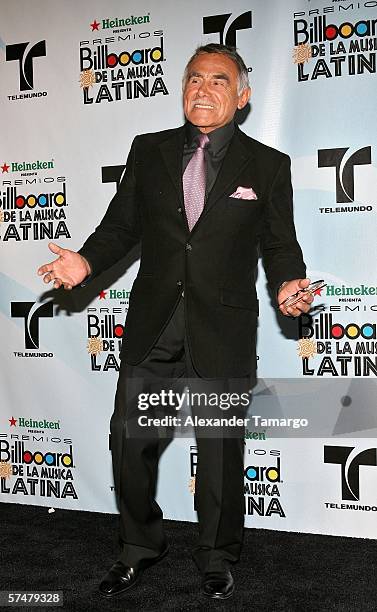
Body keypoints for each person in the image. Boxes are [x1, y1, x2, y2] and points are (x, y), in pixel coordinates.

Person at [38, 43, 313, 600]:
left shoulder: (267, 165)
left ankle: (216, 555)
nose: (202, 89)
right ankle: (141, 545)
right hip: (154, 326)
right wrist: (86, 261)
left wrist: (289, 283)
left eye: (218, 80)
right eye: (193, 79)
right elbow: (120, 227)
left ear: (243, 95)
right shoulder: (150, 151)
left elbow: (280, 244)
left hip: (223, 330)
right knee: (127, 443)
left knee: (218, 453)